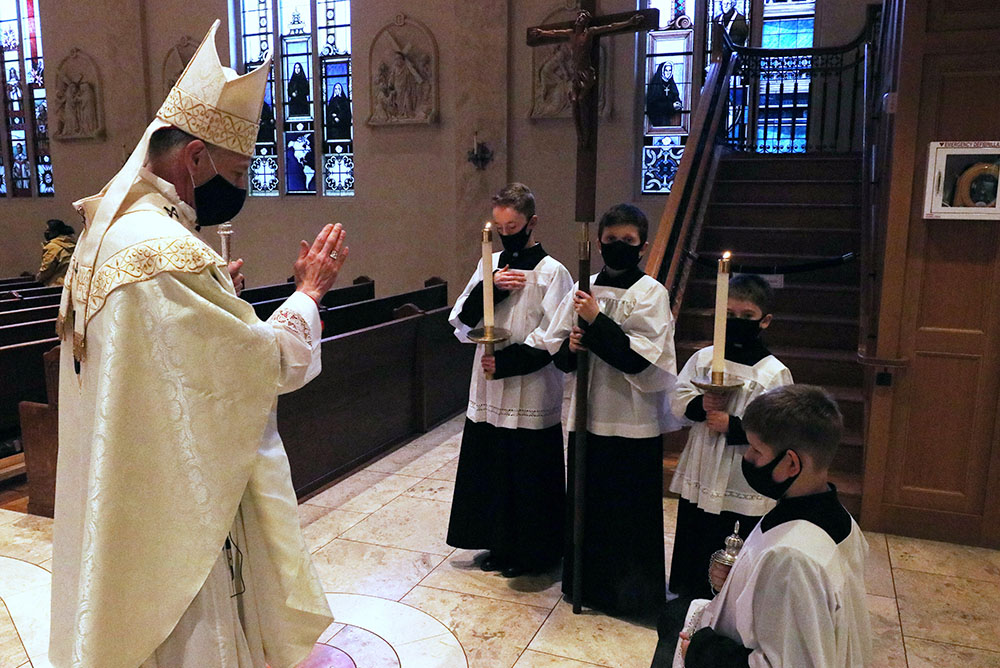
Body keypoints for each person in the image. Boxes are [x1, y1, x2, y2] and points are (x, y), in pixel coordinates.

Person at [50, 21, 343, 668]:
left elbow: (160, 351)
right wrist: (308, 294)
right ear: (194, 159)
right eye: (237, 170)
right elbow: (266, 366)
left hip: (128, 484)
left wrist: (216, 301)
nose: (239, 188)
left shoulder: (111, 232)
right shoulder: (165, 251)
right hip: (174, 503)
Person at [543, 203, 679, 619]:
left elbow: (641, 361)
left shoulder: (650, 293)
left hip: (631, 419)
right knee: (587, 505)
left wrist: (596, 322)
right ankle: (586, 585)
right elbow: (560, 359)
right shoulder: (583, 289)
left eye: (628, 241)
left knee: (628, 511)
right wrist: (571, 346)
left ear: (642, 245)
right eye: (611, 240)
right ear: (598, 241)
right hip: (586, 416)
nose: (618, 247)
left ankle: (631, 596)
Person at [677, 385, 871, 667]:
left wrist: (699, 651)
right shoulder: (837, 517)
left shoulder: (793, 559)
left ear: (791, 463)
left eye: (756, 450)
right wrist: (741, 579)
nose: (748, 458)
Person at [446, 183, 573, 578]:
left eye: (513, 225)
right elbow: (461, 320)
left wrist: (508, 363)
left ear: (531, 223)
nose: (506, 233)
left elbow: (555, 333)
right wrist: (492, 289)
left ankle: (534, 552)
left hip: (529, 383)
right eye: (499, 226)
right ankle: (497, 543)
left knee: (528, 471)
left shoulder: (553, 272)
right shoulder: (491, 264)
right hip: (489, 384)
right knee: (493, 464)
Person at [667, 274, 793, 601]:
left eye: (746, 317)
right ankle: (687, 596)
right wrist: (700, 405)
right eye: (730, 315)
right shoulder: (704, 358)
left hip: (740, 472)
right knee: (696, 531)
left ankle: (726, 603)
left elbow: (778, 427)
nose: (737, 322)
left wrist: (733, 425)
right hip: (704, 461)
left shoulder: (773, 372)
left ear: (764, 321)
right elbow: (678, 397)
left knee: (731, 539)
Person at [37, 219, 77, 286]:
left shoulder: (52, 247)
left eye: (48, 230)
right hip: (71, 283)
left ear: (55, 231)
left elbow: (47, 270)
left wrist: (38, 278)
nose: (46, 232)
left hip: (57, 284)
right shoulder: (72, 244)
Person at [646, 61, 683, 127]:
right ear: (662, 71)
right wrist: (671, 106)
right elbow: (653, 104)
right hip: (659, 118)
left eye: (670, 70)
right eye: (666, 70)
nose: (668, 73)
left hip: (671, 117)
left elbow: (675, 96)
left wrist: (678, 103)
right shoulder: (656, 84)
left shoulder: (671, 83)